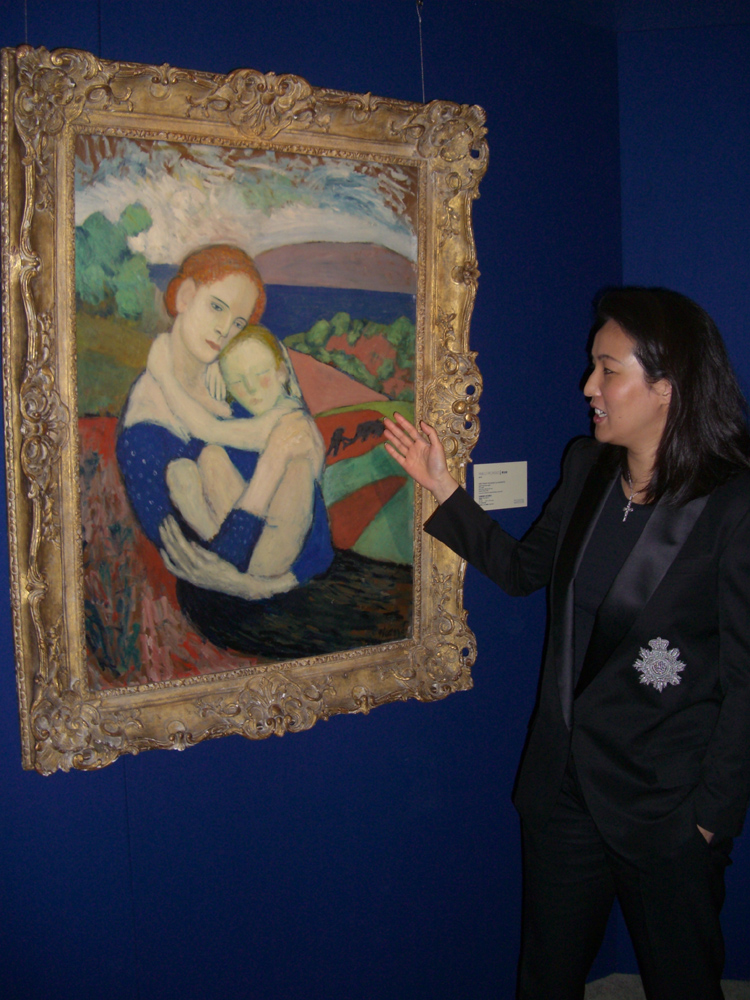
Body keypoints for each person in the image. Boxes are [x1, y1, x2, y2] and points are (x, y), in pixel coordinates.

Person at [383, 286, 750, 1000]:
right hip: (563, 793)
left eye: (608, 370)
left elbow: (745, 683)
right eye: (593, 367)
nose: (589, 387)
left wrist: (711, 818)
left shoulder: (733, 507)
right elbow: (524, 571)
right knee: (547, 978)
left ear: (667, 386)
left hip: (667, 804)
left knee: (683, 982)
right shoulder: (588, 467)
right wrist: (442, 488)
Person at [117, 244, 329, 604]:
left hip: (291, 583)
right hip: (225, 606)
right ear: (185, 296)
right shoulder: (145, 435)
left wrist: (272, 586)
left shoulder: (241, 382)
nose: (224, 330)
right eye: (216, 307)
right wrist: (251, 587)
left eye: (239, 323)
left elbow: (316, 535)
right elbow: (197, 566)